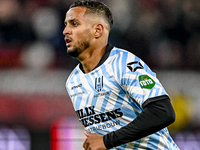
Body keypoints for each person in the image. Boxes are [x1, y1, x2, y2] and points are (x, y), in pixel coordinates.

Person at [63, 0, 180, 150]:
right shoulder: (73, 82)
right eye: (66, 24)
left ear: (97, 30)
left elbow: (162, 111)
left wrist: (107, 140)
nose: (65, 30)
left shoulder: (123, 63)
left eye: (74, 23)